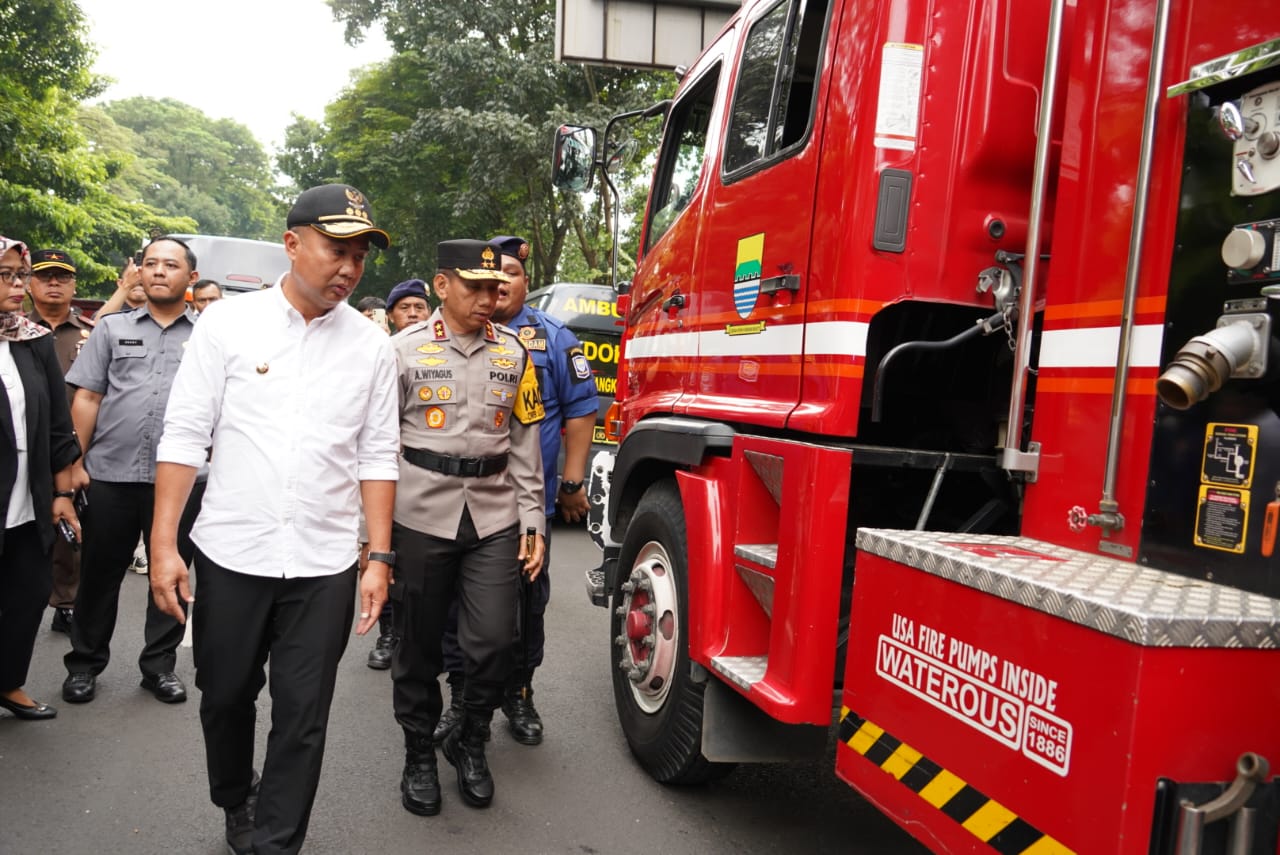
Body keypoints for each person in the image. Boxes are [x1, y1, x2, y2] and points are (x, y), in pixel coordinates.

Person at [150, 183, 399, 855]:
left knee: (303, 715)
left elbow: (378, 455)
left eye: (360, 255)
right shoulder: (229, 326)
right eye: (335, 248)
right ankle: (236, 796)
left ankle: (277, 840)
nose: (348, 267)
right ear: (292, 244)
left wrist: (379, 557)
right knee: (224, 694)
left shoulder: (374, 348)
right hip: (232, 553)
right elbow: (183, 436)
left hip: (324, 564)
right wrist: (164, 543)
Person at [390, 238, 545, 817]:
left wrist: (534, 516)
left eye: (495, 288)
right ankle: (418, 753)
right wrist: (371, 537)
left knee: (494, 641)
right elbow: (377, 447)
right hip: (419, 512)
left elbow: (525, 441)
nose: (489, 297)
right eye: (476, 287)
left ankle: (469, 738)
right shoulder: (402, 351)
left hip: (496, 512)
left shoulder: (513, 352)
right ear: (442, 286)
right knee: (417, 648)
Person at [433, 235, 598, 747]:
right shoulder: (439, 338)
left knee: (527, 604)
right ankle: (461, 695)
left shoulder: (553, 338)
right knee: (457, 605)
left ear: (527, 283)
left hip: (526, 504)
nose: (499, 286)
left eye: (511, 275)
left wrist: (570, 483)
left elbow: (579, 413)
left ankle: (519, 694)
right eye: (490, 277)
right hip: (456, 502)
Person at [60, 237, 203, 706]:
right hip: (111, 475)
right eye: (150, 264)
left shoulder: (207, 337)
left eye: (170, 265)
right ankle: (84, 664)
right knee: (100, 574)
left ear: (191, 279)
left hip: (180, 482)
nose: (159, 271)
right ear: (139, 273)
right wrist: (75, 463)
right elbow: (87, 397)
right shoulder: (110, 328)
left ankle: (158, 668)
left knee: (171, 571)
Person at [0, 236, 82, 721]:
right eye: (5, 276)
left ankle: (9, 682)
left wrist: (62, 491)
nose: (16, 285)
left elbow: (56, 423)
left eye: (17, 274)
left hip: (28, 496)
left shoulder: (32, 340)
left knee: (28, 593)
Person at [26, 248, 93, 633]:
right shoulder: (12, 330)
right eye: (46, 276)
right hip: (26, 450)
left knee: (73, 533)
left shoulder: (92, 334)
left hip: (77, 450)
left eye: (62, 277)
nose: (54, 283)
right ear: (30, 282)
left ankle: (67, 601)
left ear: (73, 285)